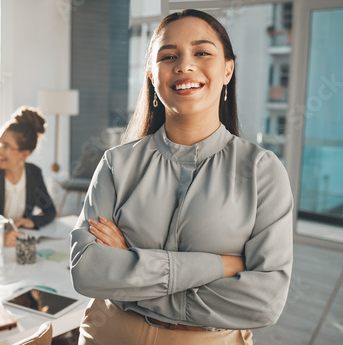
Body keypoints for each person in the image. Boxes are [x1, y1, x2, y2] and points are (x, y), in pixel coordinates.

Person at [70, 9, 293, 345]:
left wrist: (128, 272)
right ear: (151, 73)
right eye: (168, 56)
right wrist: (219, 266)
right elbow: (87, 272)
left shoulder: (262, 170)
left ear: (228, 69)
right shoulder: (116, 163)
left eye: (202, 52)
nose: (184, 65)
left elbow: (264, 303)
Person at [0, 106, 56, 246]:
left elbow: (50, 211)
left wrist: (31, 221)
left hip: (16, 246)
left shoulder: (33, 174)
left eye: (6, 146)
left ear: (24, 154)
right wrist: (0, 238)